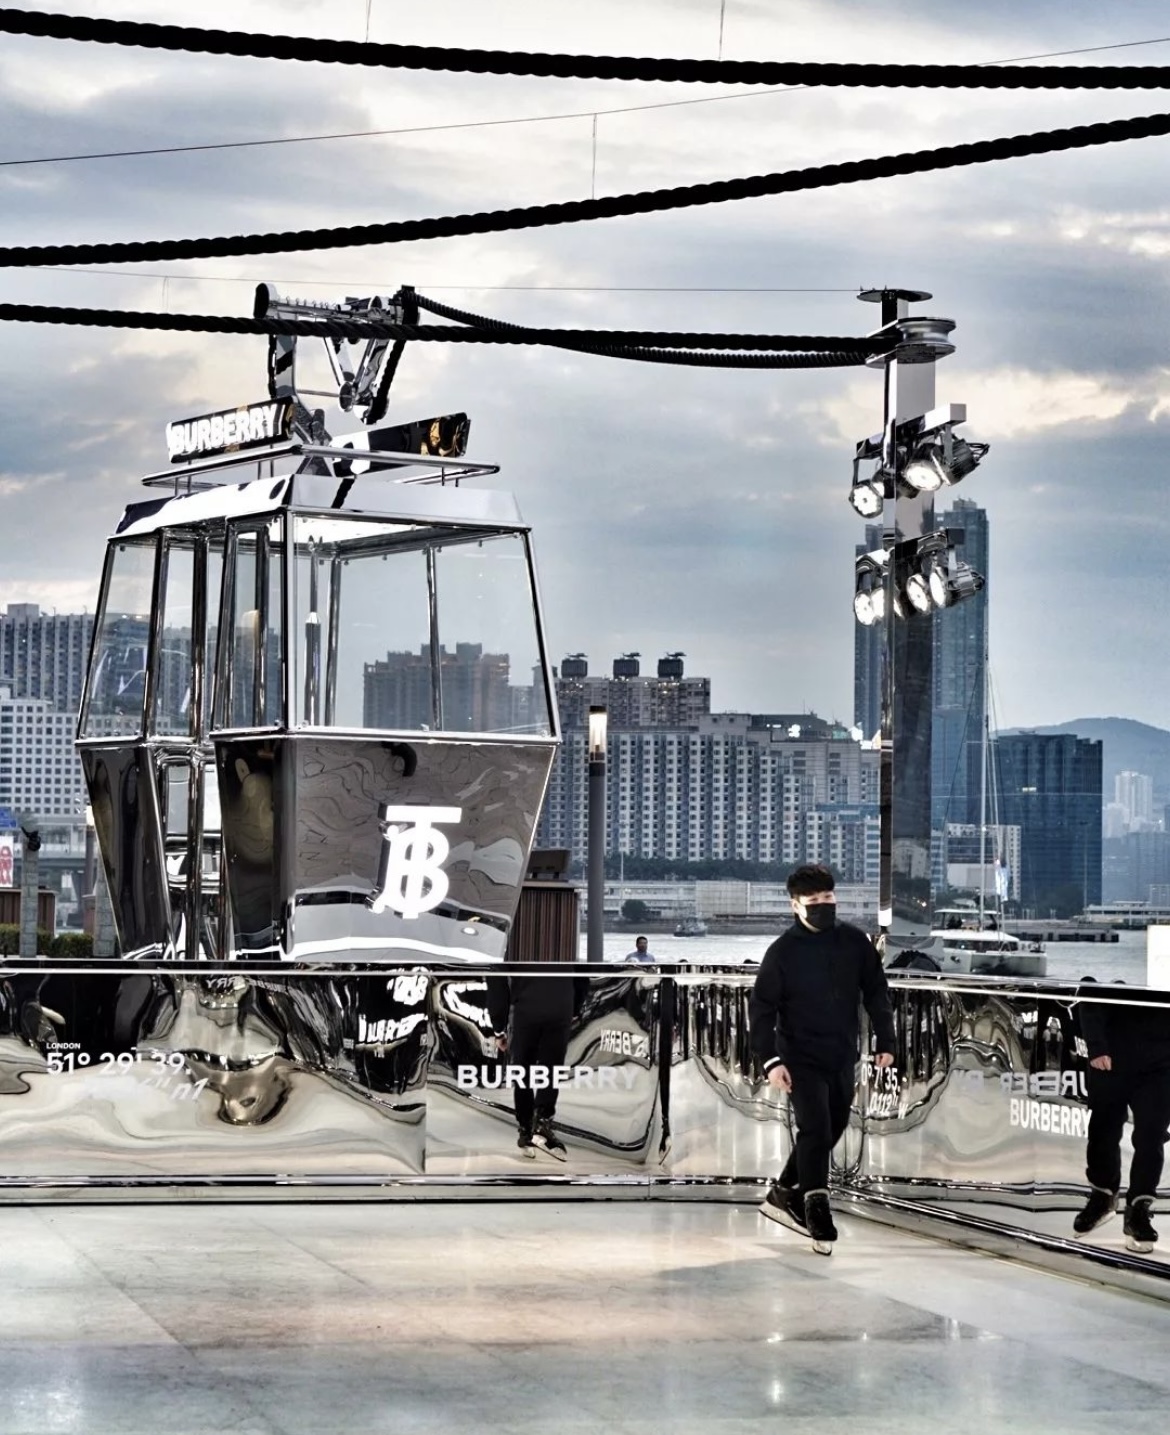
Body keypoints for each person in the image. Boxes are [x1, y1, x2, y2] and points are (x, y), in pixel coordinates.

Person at [749, 864, 896, 1252]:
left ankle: (783, 1191)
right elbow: (761, 1009)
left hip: (842, 1053)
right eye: (813, 901)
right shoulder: (782, 952)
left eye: (828, 899)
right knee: (814, 1128)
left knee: (833, 1128)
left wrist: (887, 1041)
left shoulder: (854, 942)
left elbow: (877, 993)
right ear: (795, 906)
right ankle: (816, 1207)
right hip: (798, 1056)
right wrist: (771, 1061)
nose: (823, 906)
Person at [1073, 980, 1170, 1253]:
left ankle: (1138, 1210)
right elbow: (1089, 985)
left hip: (1160, 1062)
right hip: (1110, 1055)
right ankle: (1102, 1198)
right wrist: (1096, 1045)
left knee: (1151, 1136)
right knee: (1103, 1131)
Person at [487, 973, 586, 1161]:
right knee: (551, 1067)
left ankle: (526, 1131)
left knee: (523, 1070)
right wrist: (575, 1007)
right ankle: (542, 1122)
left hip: (525, 1006)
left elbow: (496, 979)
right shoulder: (565, 943)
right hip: (560, 1004)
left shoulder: (517, 943)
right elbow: (582, 974)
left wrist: (498, 1027)